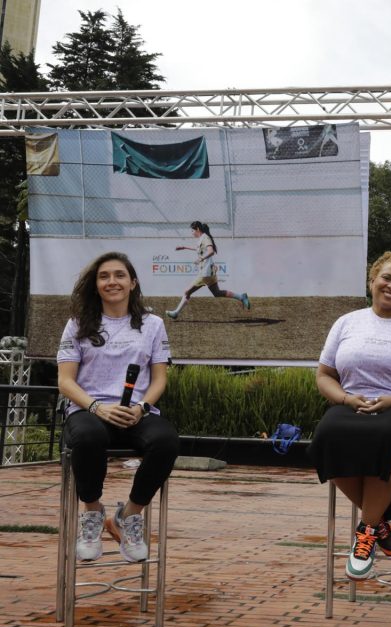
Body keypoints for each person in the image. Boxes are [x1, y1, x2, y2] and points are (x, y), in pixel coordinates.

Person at [307, 251, 391, 580]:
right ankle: (381, 523)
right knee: (327, 437)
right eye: (386, 278)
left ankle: (366, 534)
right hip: (352, 404)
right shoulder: (347, 322)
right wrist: (344, 398)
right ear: (372, 281)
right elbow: (324, 374)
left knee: (386, 436)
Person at [57, 252, 179, 563]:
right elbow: (66, 382)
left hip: (136, 413)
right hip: (88, 411)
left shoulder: (153, 324)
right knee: (86, 438)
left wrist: (141, 407)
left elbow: (159, 380)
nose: (112, 281)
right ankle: (93, 513)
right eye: (104, 276)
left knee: (166, 440)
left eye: (120, 275)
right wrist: (98, 407)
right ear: (95, 285)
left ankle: (128, 515)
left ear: (133, 282)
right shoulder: (77, 324)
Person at [166, 221, 251, 320]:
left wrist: (201, 258)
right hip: (210, 272)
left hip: (205, 273)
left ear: (197, 229)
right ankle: (241, 297)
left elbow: (211, 251)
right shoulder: (202, 238)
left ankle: (176, 313)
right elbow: (199, 249)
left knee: (187, 292)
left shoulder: (205, 238)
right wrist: (184, 247)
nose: (192, 233)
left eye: (192, 230)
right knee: (217, 293)